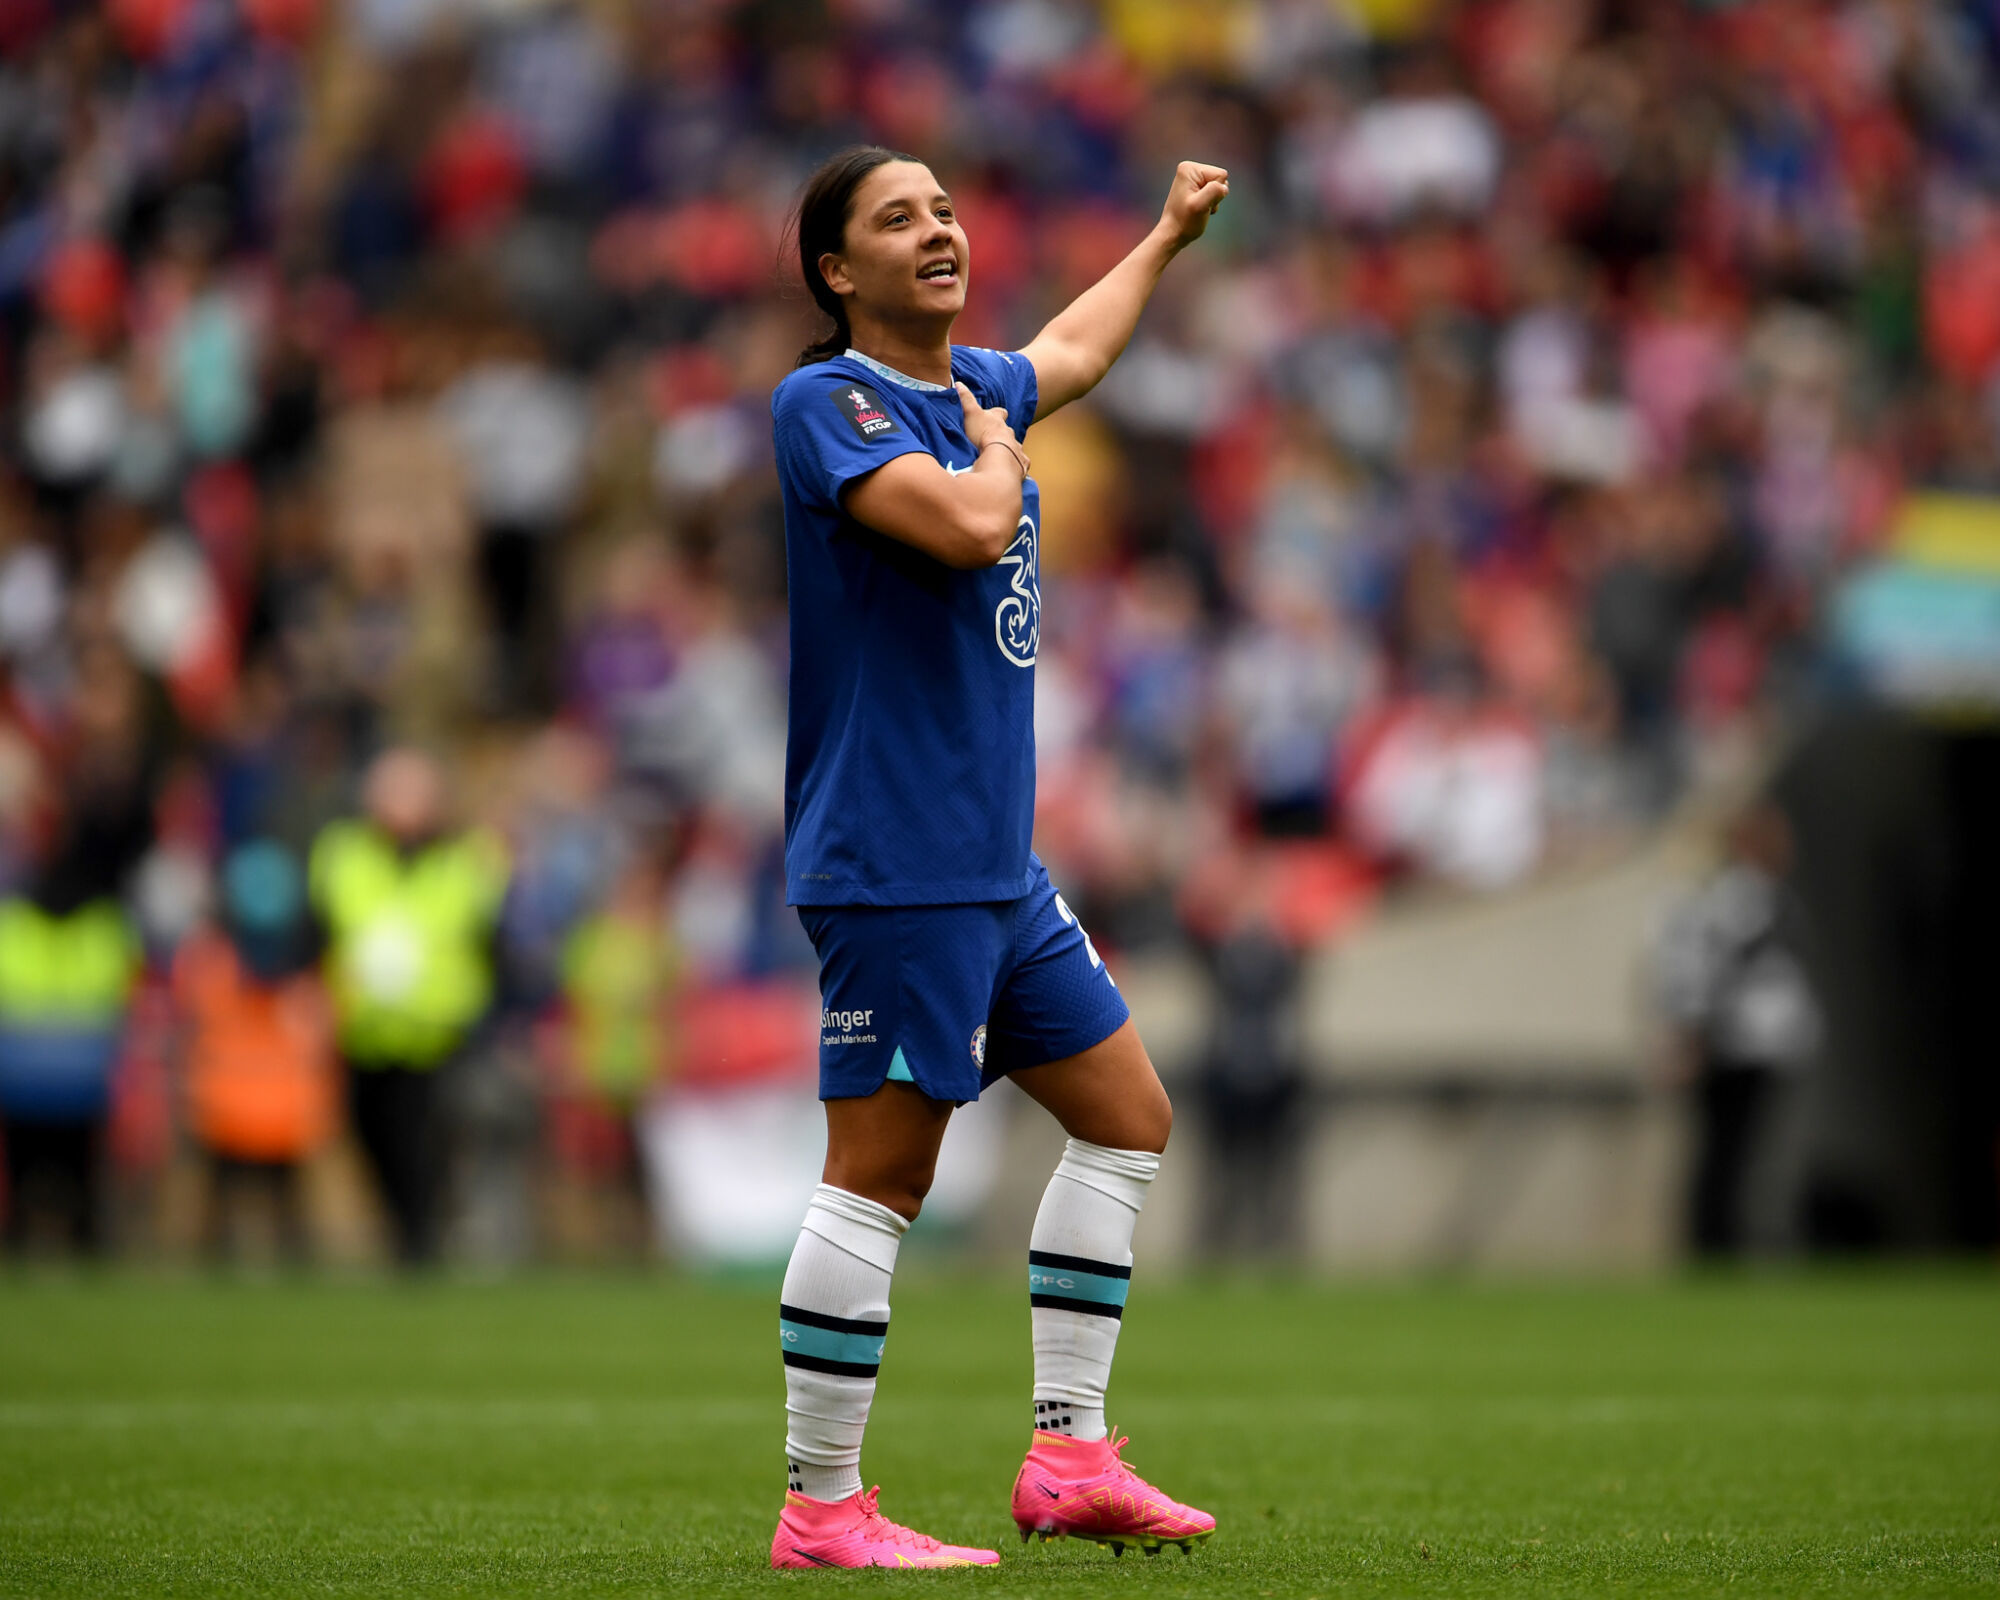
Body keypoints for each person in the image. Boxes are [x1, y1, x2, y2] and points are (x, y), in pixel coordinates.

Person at [765, 146, 1228, 1570]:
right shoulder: (829, 403)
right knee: (881, 1177)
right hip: (895, 858)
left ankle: (1070, 1455)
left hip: (991, 864)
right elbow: (975, 524)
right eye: (896, 218)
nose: (938, 231)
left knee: (1127, 1114)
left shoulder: (971, 388)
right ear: (838, 270)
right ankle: (821, 1507)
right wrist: (1009, 448)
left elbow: (1073, 350)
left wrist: (1163, 235)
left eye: (946, 210)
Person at [309, 748, 510, 1265]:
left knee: (428, 1141)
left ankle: (423, 1242)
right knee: (371, 1135)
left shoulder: (469, 861)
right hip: (364, 1030)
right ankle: (405, 1234)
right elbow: (316, 933)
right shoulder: (342, 854)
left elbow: (495, 946)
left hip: (440, 1034)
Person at [173, 839, 336, 1264]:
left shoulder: (207, 964)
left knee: (249, 1214)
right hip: (246, 1115)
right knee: (265, 1217)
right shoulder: (304, 981)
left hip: (247, 1115)